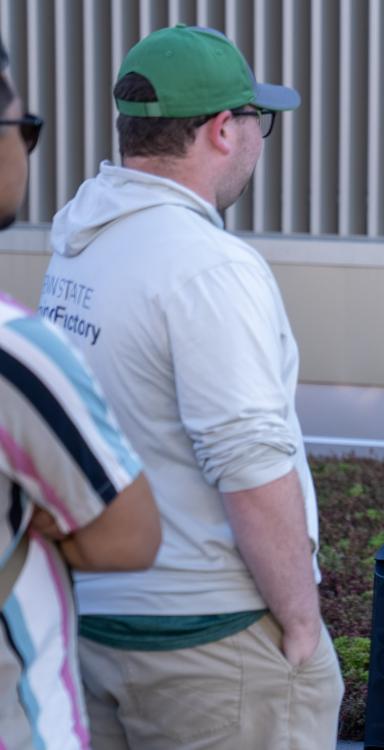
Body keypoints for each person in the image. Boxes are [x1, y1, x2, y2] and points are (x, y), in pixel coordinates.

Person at [37, 25, 343, 750]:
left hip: (96, 625)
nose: (260, 139)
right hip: (211, 651)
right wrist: (301, 626)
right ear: (221, 131)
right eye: (256, 120)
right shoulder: (208, 266)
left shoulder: (81, 248)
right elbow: (248, 462)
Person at [1, 33, 160, 750]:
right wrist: (44, 515)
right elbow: (130, 535)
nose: (25, 150)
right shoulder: (17, 353)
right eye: (24, 129)